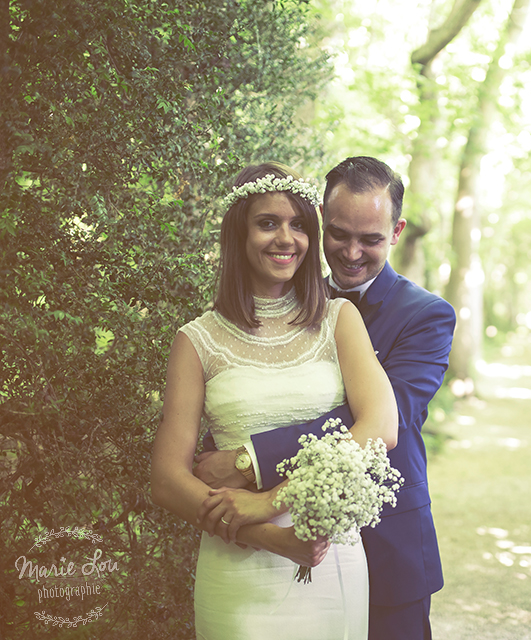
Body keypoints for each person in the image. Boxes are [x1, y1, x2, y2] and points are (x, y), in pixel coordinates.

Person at [193, 156, 456, 639]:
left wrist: (254, 460)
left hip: (388, 541)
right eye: (339, 235)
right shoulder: (280, 301)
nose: (352, 252)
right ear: (319, 222)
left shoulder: (427, 316)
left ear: (396, 232)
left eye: (371, 239)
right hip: (274, 550)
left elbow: (381, 417)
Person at [151, 161, 398, 640]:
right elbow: (167, 479)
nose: (286, 239)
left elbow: (380, 426)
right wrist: (268, 535)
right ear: (238, 235)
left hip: (330, 556)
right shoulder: (196, 340)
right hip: (237, 563)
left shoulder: (339, 319)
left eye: (299, 225)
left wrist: (271, 502)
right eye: (268, 223)